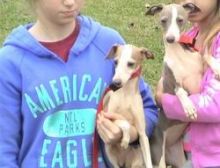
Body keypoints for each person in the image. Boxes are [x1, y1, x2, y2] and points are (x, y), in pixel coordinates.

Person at [0, 0, 158, 167]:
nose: (69, 2)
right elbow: (4, 150)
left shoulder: (110, 46)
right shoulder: (10, 62)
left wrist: (128, 133)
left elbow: (148, 109)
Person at [156, 0, 220, 167]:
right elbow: (169, 80)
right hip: (188, 153)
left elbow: (215, 105)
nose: (190, 1)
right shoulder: (188, 37)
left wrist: (164, 100)